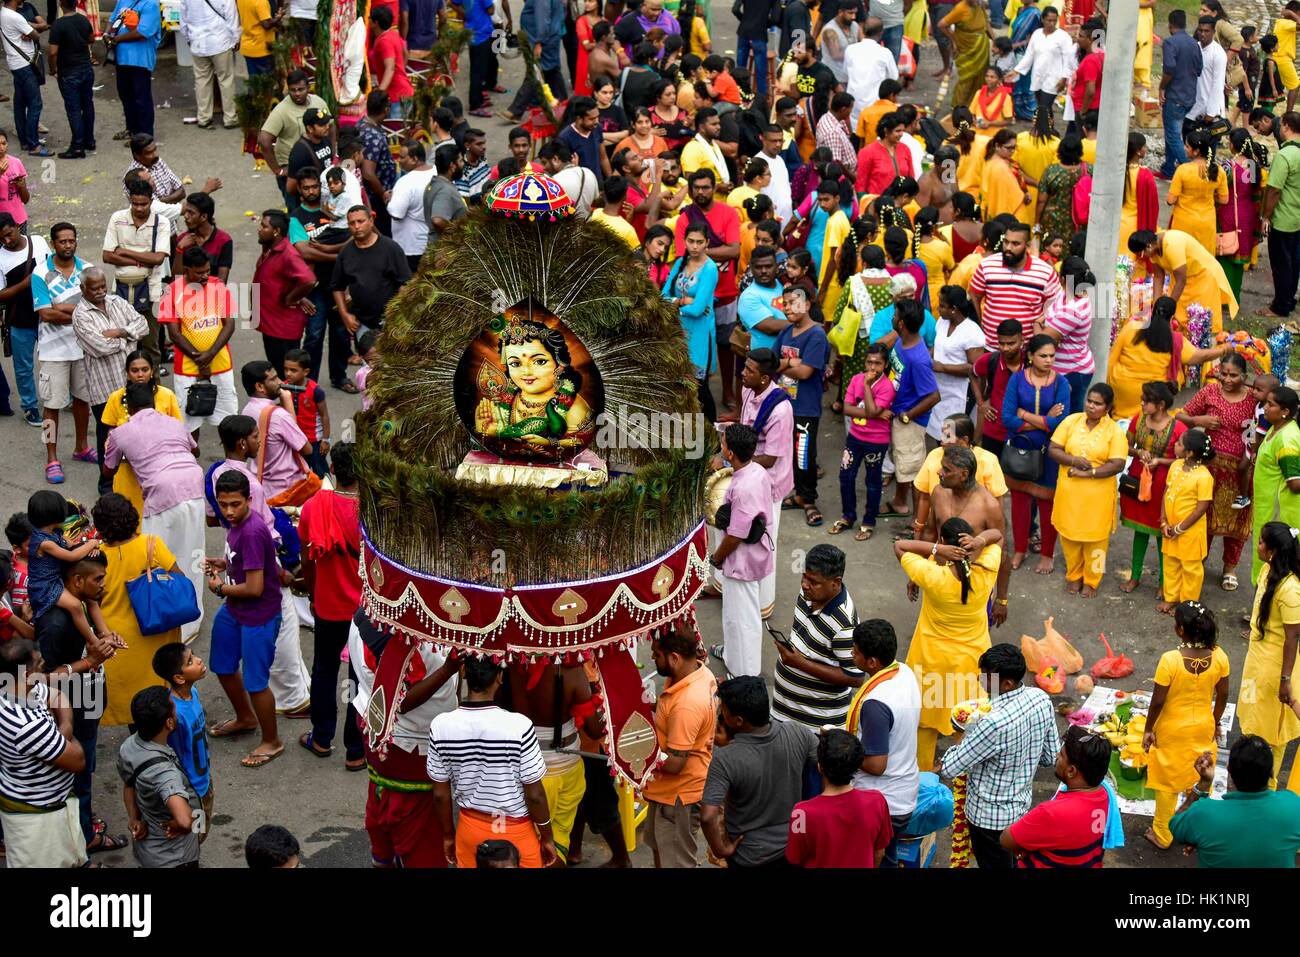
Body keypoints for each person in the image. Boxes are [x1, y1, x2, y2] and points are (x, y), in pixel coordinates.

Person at [428, 656, 557, 867]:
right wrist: (547, 836)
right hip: (517, 833)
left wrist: (448, 835)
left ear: (463, 673)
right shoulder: (520, 726)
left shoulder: (441, 725)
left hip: (470, 829)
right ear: (499, 677)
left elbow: (441, 795)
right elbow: (535, 795)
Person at [895, 516, 1002, 771]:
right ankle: (964, 778)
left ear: (944, 543)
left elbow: (900, 546)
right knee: (970, 722)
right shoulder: (987, 569)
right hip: (974, 663)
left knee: (925, 723)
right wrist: (980, 540)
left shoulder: (931, 575)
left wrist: (934, 549)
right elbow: (997, 535)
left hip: (930, 660)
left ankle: (923, 780)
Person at [940, 643, 1058, 869]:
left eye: (985, 677)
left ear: (1007, 683)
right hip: (1021, 809)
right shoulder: (1040, 698)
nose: (979, 680)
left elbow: (950, 767)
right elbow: (1049, 756)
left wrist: (965, 733)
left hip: (988, 819)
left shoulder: (992, 723)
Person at [104, 382, 206, 640]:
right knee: (193, 554)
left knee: (152, 558)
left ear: (128, 407)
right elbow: (196, 449)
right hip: (194, 486)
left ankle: (160, 617)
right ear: (153, 400)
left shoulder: (121, 432)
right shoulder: (174, 422)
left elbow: (108, 469)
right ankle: (191, 622)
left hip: (161, 493)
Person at [205, 469, 285, 769]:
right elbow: (245, 561)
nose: (228, 510)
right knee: (223, 666)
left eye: (235, 504)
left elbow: (254, 588)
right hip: (235, 611)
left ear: (249, 500)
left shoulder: (251, 530)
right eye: (223, 504)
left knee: (256, 683)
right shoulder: (235, 524)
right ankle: (245, 718)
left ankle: (272, 741)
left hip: (258, 615)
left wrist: (219, 587)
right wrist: (224, 563)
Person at [1135, 600, 1229, 850]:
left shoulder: (1171, 660)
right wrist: (1216, 721)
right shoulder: (1219, 656)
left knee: (1167, 785)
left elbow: (1157, 702)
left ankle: (1163, 835)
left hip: (1172, 731)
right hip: (1203, 728)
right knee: (1199, 778)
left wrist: (1148, 729)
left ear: (1180, 630)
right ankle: (1193, 830)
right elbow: (1223, 695)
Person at [701, 675, 817, 868]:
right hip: (794, 846)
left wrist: (720, 849)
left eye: (724, 711)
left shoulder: (725, 759)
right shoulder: (798, 732)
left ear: (738, 720)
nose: (720, 714)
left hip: (749, 855)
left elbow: (707, 816)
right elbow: (828, 765)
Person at [90, 493, 182, 729]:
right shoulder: (151, 544)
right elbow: (179, 580)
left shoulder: (96, 558)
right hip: (157, 632)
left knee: (134, 705)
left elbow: (91, 602)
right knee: (160, 697)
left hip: (119, 641)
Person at [0, 639, 88, 868]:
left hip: (48, 803)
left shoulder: (15, 688)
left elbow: (57, 695)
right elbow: (78, 760)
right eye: (40, 663)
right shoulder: (25, 725)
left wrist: (61, 732)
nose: (44, 666)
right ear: (27, 673)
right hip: (38, 818)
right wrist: (65, 736)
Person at [1176, 355, 1254, 592]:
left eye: (1233, 375)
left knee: (1237, 519)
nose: (1227, 379)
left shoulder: (1254, 398)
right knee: (1205, 516)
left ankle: (1229, 568)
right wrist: (1197, 420)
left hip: (1241, 472)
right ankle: (1198, 560)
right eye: (1224, 374)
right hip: (1210, 469)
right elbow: (1179, 415)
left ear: (1244, 376)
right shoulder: (1210, 392)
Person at [642, 629, 717, 867]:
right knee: (660, 849)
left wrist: (638, 753)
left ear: (674, 658)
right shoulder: (699, 672)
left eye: (656, 655)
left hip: (678, 796)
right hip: (666, 791)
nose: (653, 659)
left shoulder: (686, 705)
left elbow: (674, 764)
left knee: (676, 861)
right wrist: (655, 706)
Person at [1047, 383, 1128, 597]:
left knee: (1097, 541)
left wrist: (1090, 472)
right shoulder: (1071, 421)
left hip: (1098, 496)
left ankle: (1092, 580)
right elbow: (1053, 449)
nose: (1091, 406)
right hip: (1070, 493)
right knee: (1069, 536)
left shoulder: (1115, 431)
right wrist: (1073, 459)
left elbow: (1118, 464)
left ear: (1108, 406)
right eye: (1089, 401)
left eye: (1097, 403)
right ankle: (1074, 576)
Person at [1169, 736, 1300, 865]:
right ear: (1271, 771)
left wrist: (1204, 783)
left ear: (1228, 770)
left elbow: (1176, 826)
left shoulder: (1203, 814)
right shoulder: (1293, 805)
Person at [771, 543, 861, 728]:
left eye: (813, 582)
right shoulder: (808, 594)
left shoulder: (844, 624)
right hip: (785, 711)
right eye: (804, 577)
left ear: (835, 583)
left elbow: (855, 677)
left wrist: (799, 663)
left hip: (816, 725)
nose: (805, 585)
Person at [1001, 333, 1068, 572]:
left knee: (1048, 502)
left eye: (1052, 356)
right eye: (1043, 356)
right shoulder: (1017, 380)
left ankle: (1048, 554)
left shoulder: (1061, 383)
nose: (1049, 360)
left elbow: (1059, 423)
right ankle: (1019, 550)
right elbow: (1007, 418)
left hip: (1050, 452)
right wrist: (1044, 418)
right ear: (1030, 356)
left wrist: (1025, 414)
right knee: (1019, 502)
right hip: (1021, 449)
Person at [710, 424, 773, 677]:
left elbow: (736, 534)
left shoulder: (744, 487)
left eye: (723, 443)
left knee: (743, 619)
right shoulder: (755, 469)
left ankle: (744, 674)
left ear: (732, 453)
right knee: (734, 615)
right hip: (754, 554)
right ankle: (732, 655)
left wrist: (717, 558)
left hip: (741, 561)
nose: (721, 446)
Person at [999, 725, 1112, 867]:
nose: (1057, 756)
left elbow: (1006, 839)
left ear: (1071, 771)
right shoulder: (1103, 796)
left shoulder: (1051, 813)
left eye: (1061, 754)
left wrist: (1025, 849)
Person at [1107, 295, 1228, 422]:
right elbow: (1199, 357)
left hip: (1121, 390)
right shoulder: (1175, 340)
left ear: (1152, 311)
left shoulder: (1132, 327)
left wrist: (1107, 388)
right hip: (1150, 396)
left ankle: (1118, 418)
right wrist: (1223, 349)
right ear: (1171, 318)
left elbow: (1111, 360)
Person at [158, 246, 238, 438]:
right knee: (189, 420)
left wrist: (209, 355)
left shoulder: (217, 286)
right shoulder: (172, 292)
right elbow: (174, 334)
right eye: (199, 272)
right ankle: (191, 461)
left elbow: (229, 325)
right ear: (186, 270)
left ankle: (232, 463)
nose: (205, 276)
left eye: (207, 271)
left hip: (220, 363)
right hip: (187, 367)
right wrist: (201, 360)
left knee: (228, 418)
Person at [118, 686, 201, 867]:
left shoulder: (129, 745)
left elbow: (129, 784)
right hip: (175, 858)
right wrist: (181, 824)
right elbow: (185, 821)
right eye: (174, 705)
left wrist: (134, 818)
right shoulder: (165, 774)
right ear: (169, 723)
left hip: (148, 852)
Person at [786, 728, 891, 867]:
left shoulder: (801, 813)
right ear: (857, 766)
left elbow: (795, 858)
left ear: (820, 767)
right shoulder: (877, 801)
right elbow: (879, 853)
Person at [1118, 381, 1186, 597]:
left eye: (1146, 401)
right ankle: (1135, 577)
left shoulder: (1179, 429)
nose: (1142, 403)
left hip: (1163, 484)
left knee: (1161, 533)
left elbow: (1183, 460)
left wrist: (1159, 461)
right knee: (1140, 530)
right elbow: (1125, 446)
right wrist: (1138, 453)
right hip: (1139, 480)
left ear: (1161, 405)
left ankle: (1164, 582)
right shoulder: (1138, 420)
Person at [102, 178, 171, 372]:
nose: (139, 208)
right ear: (129, 199)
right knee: (123, 343)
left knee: (151, 345)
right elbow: (107, 256)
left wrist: (124, 252)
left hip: (151, 291)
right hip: (121, 290)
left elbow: (158, 259)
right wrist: (142, 260)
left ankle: (153, 386)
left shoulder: (161, 222)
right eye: (135, 203)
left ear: (151, 200)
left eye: (144, 204)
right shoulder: (117, 218)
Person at [774, 285, 829, 524]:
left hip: (806, 408)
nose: (788, 308)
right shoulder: (786, 332)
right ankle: (797, 494)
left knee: (804, 455)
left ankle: (808, 500)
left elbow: (806, 372)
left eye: (794, 302)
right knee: (788, 453)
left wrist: (785, 364)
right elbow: (772, 364)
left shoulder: (817, 335)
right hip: (785, 405)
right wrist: (789, 362)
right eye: (785, 304)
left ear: (807, 305)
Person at [152, 642, 213, 842]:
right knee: (194, 838)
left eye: (194, 656)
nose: (199, 660)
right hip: (191, 789)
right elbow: (174, 757)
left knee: (202, 831)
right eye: (190, 661)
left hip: (204, 780)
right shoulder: (176, 716)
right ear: (179, 677)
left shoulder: (192, 693)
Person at [835, 342, 893, 539]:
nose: (872, 367)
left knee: (873, 482)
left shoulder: (887, 387)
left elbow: (869, 410)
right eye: (869, 362)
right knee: (845, 476)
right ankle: (848, 515)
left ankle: (868, 522)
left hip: (876, 441)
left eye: (877, 363)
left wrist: (868, 388)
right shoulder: (855, 379)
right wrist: (876, 414)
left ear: (885, 365)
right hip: (855, 437)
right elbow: (847, 408)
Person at [969, 222, 1059, 349]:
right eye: (1006, 242)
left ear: (1027, 246)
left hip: (1026, 350)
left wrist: (1040, 338)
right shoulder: (987, 265)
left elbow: (1056, 306)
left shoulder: (1045, 272)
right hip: (991, 348)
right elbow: (974, 295)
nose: (1008, 248)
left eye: (1015, 244)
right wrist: (979, 326)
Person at [663, 221, 719, 419]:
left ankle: (710, 429)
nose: (695, 246)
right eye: (691, 241)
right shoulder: (680, 262)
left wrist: (676, 305)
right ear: (684, 241)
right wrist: (681, 300)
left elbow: (697, 311)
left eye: (699, 242)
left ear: (707, 243)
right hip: (677, 332)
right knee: (677, 384)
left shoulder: (710, 269)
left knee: (698, 387)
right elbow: (662, 296)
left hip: (699, 333)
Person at [332, 206, 412, 339]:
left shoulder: (391, 249)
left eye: (360, 221)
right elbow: (337, 287)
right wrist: (345, 315)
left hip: (391, 322)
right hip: (362, 323)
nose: (357, 226)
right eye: (352, 223)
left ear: (371, 221)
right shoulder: (346, 253)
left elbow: (406, 285)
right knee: (368, 359)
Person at [1251, 387, 1300, 588]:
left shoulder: (1287, 439)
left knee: (1277, 563)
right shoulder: (1275, 428)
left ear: (1285, 411)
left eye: (1270, 405)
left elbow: (1295, 483)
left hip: (1279, 515)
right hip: (1266, 510)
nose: (1264, 408)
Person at [257, 72, 330, 205]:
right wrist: (278, 170)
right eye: (292, 90)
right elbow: (264, 140)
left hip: (317, 164)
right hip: (293, 170)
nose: (297, 93)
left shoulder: (318, 102)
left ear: (308, 87)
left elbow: (331, 125)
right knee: (295, 208)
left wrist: (331, 151)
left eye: (300, 89)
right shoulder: (281, 111)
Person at [929, 285, 985, 441]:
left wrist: (942, 367)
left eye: (942, 306)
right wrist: (927, 358)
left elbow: (974, 368)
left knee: (950, 436)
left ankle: (949, 462)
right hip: (940, 389)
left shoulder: (972, 332)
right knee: (938, 432)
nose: (938, 309)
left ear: (953, 309)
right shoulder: (942, 321)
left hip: (959, 393)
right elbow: (937, 345)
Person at [1216, 129, 1266, 300]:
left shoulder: (1228, 167)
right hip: (1246, 214)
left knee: (1226, 253)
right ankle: (1234, 298)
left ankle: (1223, 299)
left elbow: (1221, 191)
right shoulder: (1252, 165)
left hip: (1229, 212)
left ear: (1233, 145)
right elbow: (1250, 191)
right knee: (1239, 259)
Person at [1158, 10, 1205, 180]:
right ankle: (1169, 169)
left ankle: (1192, 170)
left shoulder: (1170, 43)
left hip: (1175, 96)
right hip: (1189, 97)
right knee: (1173, 133)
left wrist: (1161, 87)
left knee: (1172, 135)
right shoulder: (1194, 44)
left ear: (1170, 25)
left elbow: (1169, 69)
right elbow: (1199, 69)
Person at [47, 0, 98, 156]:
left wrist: (53, 69)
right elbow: (91, 38)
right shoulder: (83, 19)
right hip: (85, 69)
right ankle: (89, 141)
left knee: (74, 109)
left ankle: (77, 146)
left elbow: (53, 52)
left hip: (69, 72)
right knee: (87, 105)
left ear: (61, 4)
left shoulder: (58, 25)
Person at [1263, 111, 1300, 319]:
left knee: (1281, 264)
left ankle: (1280, 306)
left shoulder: (1285, 155)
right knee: (1294, 262)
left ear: (1285, 126)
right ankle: (1290, 299)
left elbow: (1274, 190)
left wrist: (1265, 217)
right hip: (1297, 217)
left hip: (1283, 219)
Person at [106, 0, 161, 140]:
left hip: (140, 60)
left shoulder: (150, 4)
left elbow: (143, 32)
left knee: (141, 98)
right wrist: (107, 34)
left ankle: (145, 135)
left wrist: (116, 39)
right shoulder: (123, 1)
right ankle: (131, 130)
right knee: (126, 96)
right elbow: (112, 20)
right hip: (122, 59)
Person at [1168, 131, 1227, 258]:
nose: (1184, 148)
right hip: (1207, 223)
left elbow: (1171, 200)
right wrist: (1209, 195)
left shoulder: (1183, 170)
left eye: (1187, 146)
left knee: (1182, 259)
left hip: (1184, 222)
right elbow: (1224, 200)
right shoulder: (1219, 171)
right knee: (1203, 260)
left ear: (1196, 151)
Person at [1, 0, 47, 156]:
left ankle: (25, 140)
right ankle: (34, 144)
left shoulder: (3, 13)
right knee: (35, 103)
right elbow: (36, 36)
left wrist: (29, 27)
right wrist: (32, 26)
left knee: (20, 103)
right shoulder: (15, 17)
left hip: (15, 63)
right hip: (25, 64)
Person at [282, 349, 330, 477]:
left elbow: (324, 415)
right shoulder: (283, 387)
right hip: (293, 439)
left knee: (320, 472)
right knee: (298, 472)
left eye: (293, 370)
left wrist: (326, 440)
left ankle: (326, 495)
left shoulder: (316, 391)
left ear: (306, 372)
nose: (288, 374)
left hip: (313, 440)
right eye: (286, 369)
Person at [939, 0, 990, 112]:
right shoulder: (960, 8)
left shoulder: (979, 4)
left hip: (982, 46)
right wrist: (954, 40)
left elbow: (986, 24)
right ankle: (957, 108)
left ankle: (974, 106)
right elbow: (942, 25)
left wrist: (994, 40)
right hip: (966, 47)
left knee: (981, 76)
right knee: (966, 79)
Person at [175, 192, 234, 285]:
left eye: (190, 213)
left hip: (212, 295)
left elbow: (221, 281)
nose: (185, 216)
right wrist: (179, 249)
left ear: (204, 217)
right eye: (186, 211)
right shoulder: (182, 241)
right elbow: (176, 279)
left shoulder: (224, 241)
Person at [1189, 15, 1228, 123]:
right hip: (1193, 108)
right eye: (1200, 30)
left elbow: (1218, 84)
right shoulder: (1194, 48)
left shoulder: (1218, 54)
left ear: (1213, 32)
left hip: (1210, 112)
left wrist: (1211, 113)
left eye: (1206, 31)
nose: (1202, 34)